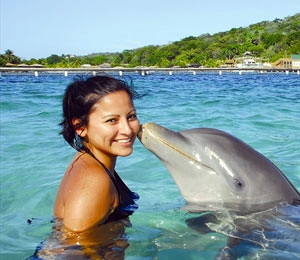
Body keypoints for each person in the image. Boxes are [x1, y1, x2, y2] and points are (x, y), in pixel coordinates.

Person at [54, 75, 140, 232]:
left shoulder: (91, 162)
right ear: (80, 127)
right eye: (111, 120)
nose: (127, 130)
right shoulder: (93, 180)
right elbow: (71, 248)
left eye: (131, 116)